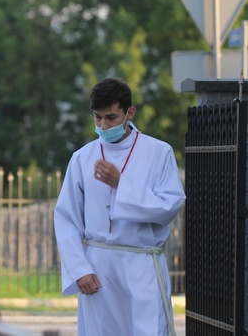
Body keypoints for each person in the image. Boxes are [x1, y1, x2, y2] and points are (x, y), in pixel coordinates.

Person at [53, 77, 185, 336]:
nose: (103, 126)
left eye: (111, 118)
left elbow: (169, 207)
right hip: (98, 267)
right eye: (97, 118)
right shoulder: (82, 158)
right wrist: (79, 269)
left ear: (129, 113)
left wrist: (121, 185)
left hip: (141, 266)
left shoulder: (159, 152)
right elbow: (66, 217)